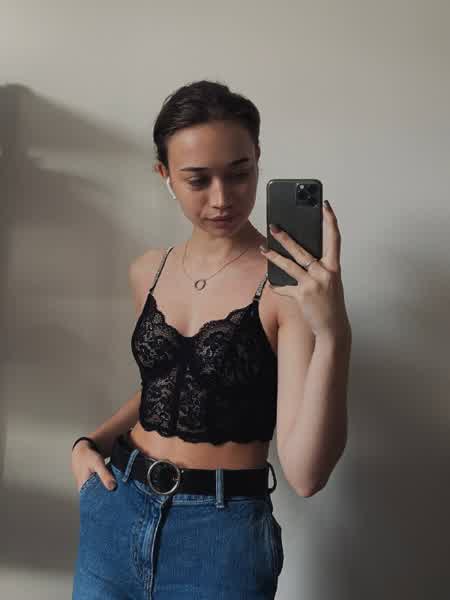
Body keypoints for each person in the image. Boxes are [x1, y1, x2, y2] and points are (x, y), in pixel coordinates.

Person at [71, 79, 351, 599]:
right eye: (198, 179)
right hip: (117, 510)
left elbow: (307, 474)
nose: (222, 199)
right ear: (165, 175)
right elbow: (163, 386)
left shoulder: (287, 290)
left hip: (220, 541)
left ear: (258, 158)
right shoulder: (148, 270)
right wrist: (90, 443)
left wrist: (334, 332)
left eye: (239, 173)